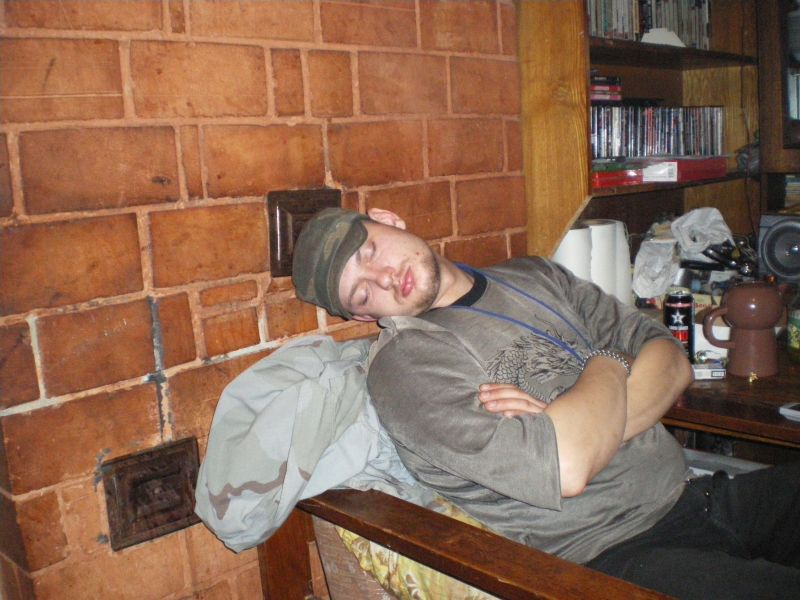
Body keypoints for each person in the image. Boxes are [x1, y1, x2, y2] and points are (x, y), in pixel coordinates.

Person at [292, 207, 800, 599]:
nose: (383, 278)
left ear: (389, 219)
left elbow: (671, 361)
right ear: (364, 318)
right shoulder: (407, 366)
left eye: (371, 252)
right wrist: (609, 361)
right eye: (362, 294)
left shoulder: (535, 276)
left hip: (698, 496)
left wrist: (582, 427)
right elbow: (568, 468)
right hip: (617, 554)